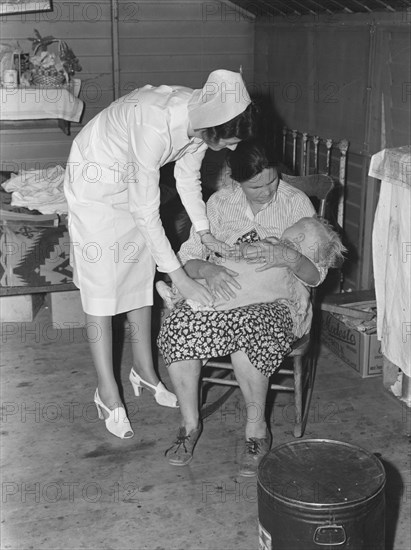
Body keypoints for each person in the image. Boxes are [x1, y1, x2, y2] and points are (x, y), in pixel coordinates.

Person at [63, 70, 258, 439]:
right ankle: (107, 391)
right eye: (229, 140)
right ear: (212, 128)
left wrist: (205, 232)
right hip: (95, 183)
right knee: (102, 290)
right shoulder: (155, 123)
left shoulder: (204, 119)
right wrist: (180, 276)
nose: (232, 149)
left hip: (134, 184)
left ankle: (145, 371)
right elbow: (146, 211)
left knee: (138, 278)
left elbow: (186, 178)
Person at [157, 141, 346, 475]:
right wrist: (208, 269)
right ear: (236, 179)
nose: (267, 191)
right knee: (179, 325)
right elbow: (188, 258)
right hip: (220, 283)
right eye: (256, 186)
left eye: (272, 182)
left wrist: (289, 257)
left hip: (273, 300)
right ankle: (189, 425)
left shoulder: (295, 201)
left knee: (250, 332)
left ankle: (256, 430)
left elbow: (317, 272)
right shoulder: (218, 202)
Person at [156, 216, 345, 312]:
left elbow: (302, 281)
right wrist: (245, 249)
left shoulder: (295, 266)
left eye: (297, 246)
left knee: (224, 293)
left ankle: (178, 296)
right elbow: (247, 249)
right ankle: (175, 292)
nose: (288, 245)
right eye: (291, 237)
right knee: (216, 285)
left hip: (245, 293)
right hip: (228, 270)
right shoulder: (271, 242)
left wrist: (303, 296)